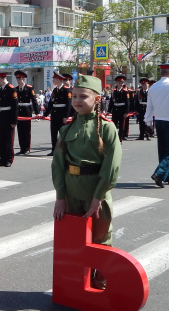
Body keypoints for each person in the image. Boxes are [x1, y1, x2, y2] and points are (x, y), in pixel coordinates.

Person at [52, 74, 122, 289]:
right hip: (72, 192)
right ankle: (76, 285)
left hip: (95, 193)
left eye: (83, 96)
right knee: (74, 241)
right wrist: (60, 198)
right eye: (74, 96)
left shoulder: (107, 128)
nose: (77, 100)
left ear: (97, 99)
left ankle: (99, 285)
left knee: (100, 241)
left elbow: (111, 166)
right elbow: (58, 166)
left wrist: (97, 198)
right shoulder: (66, 129)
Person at [44, 72, 73, 155]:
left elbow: (68, 104)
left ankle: (63, 150)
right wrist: (45, 114)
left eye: (54, 79)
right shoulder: (55, 90)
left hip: (62, 115)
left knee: (63, 134)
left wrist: (66, 116)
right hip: (54, 115)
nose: (53, 80)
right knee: (53, 134)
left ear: (58, 79)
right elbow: (50, 104)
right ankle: (54, 150)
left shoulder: (66, 90)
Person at [0, 70, 18, 167]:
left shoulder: (11, 89)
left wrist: (14, 121)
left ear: (2, 78)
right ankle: (2, 158)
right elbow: (0, 104)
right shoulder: (1, 89)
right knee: (1, 139)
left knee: (8, 140)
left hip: (8, 118)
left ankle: (8, 159)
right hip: (1, 117)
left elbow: (14, 106)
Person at [14, 70, 40, 155]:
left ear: (23, 79)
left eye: (19, 79)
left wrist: (37, 112)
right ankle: (22, 148)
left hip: (26, 111)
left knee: (26, 131)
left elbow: (34, 100)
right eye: (17, 79)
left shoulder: (29, 88)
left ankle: (27, 148)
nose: (18, 81)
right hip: (19, 111)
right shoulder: (16, 89)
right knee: (20, 130)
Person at [108, 75, 130, 142]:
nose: (120, 84)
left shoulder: (125, 92)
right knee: (113, 124)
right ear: (116, 83)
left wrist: (126, 112)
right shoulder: (114, 92)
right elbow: (111, 102)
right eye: (119, 82)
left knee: (121, 125)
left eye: (121, 83)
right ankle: (114, 137)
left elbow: (127, 103)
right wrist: (109, 111)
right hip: (115, 109)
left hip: (122, 110)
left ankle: (120, 138)